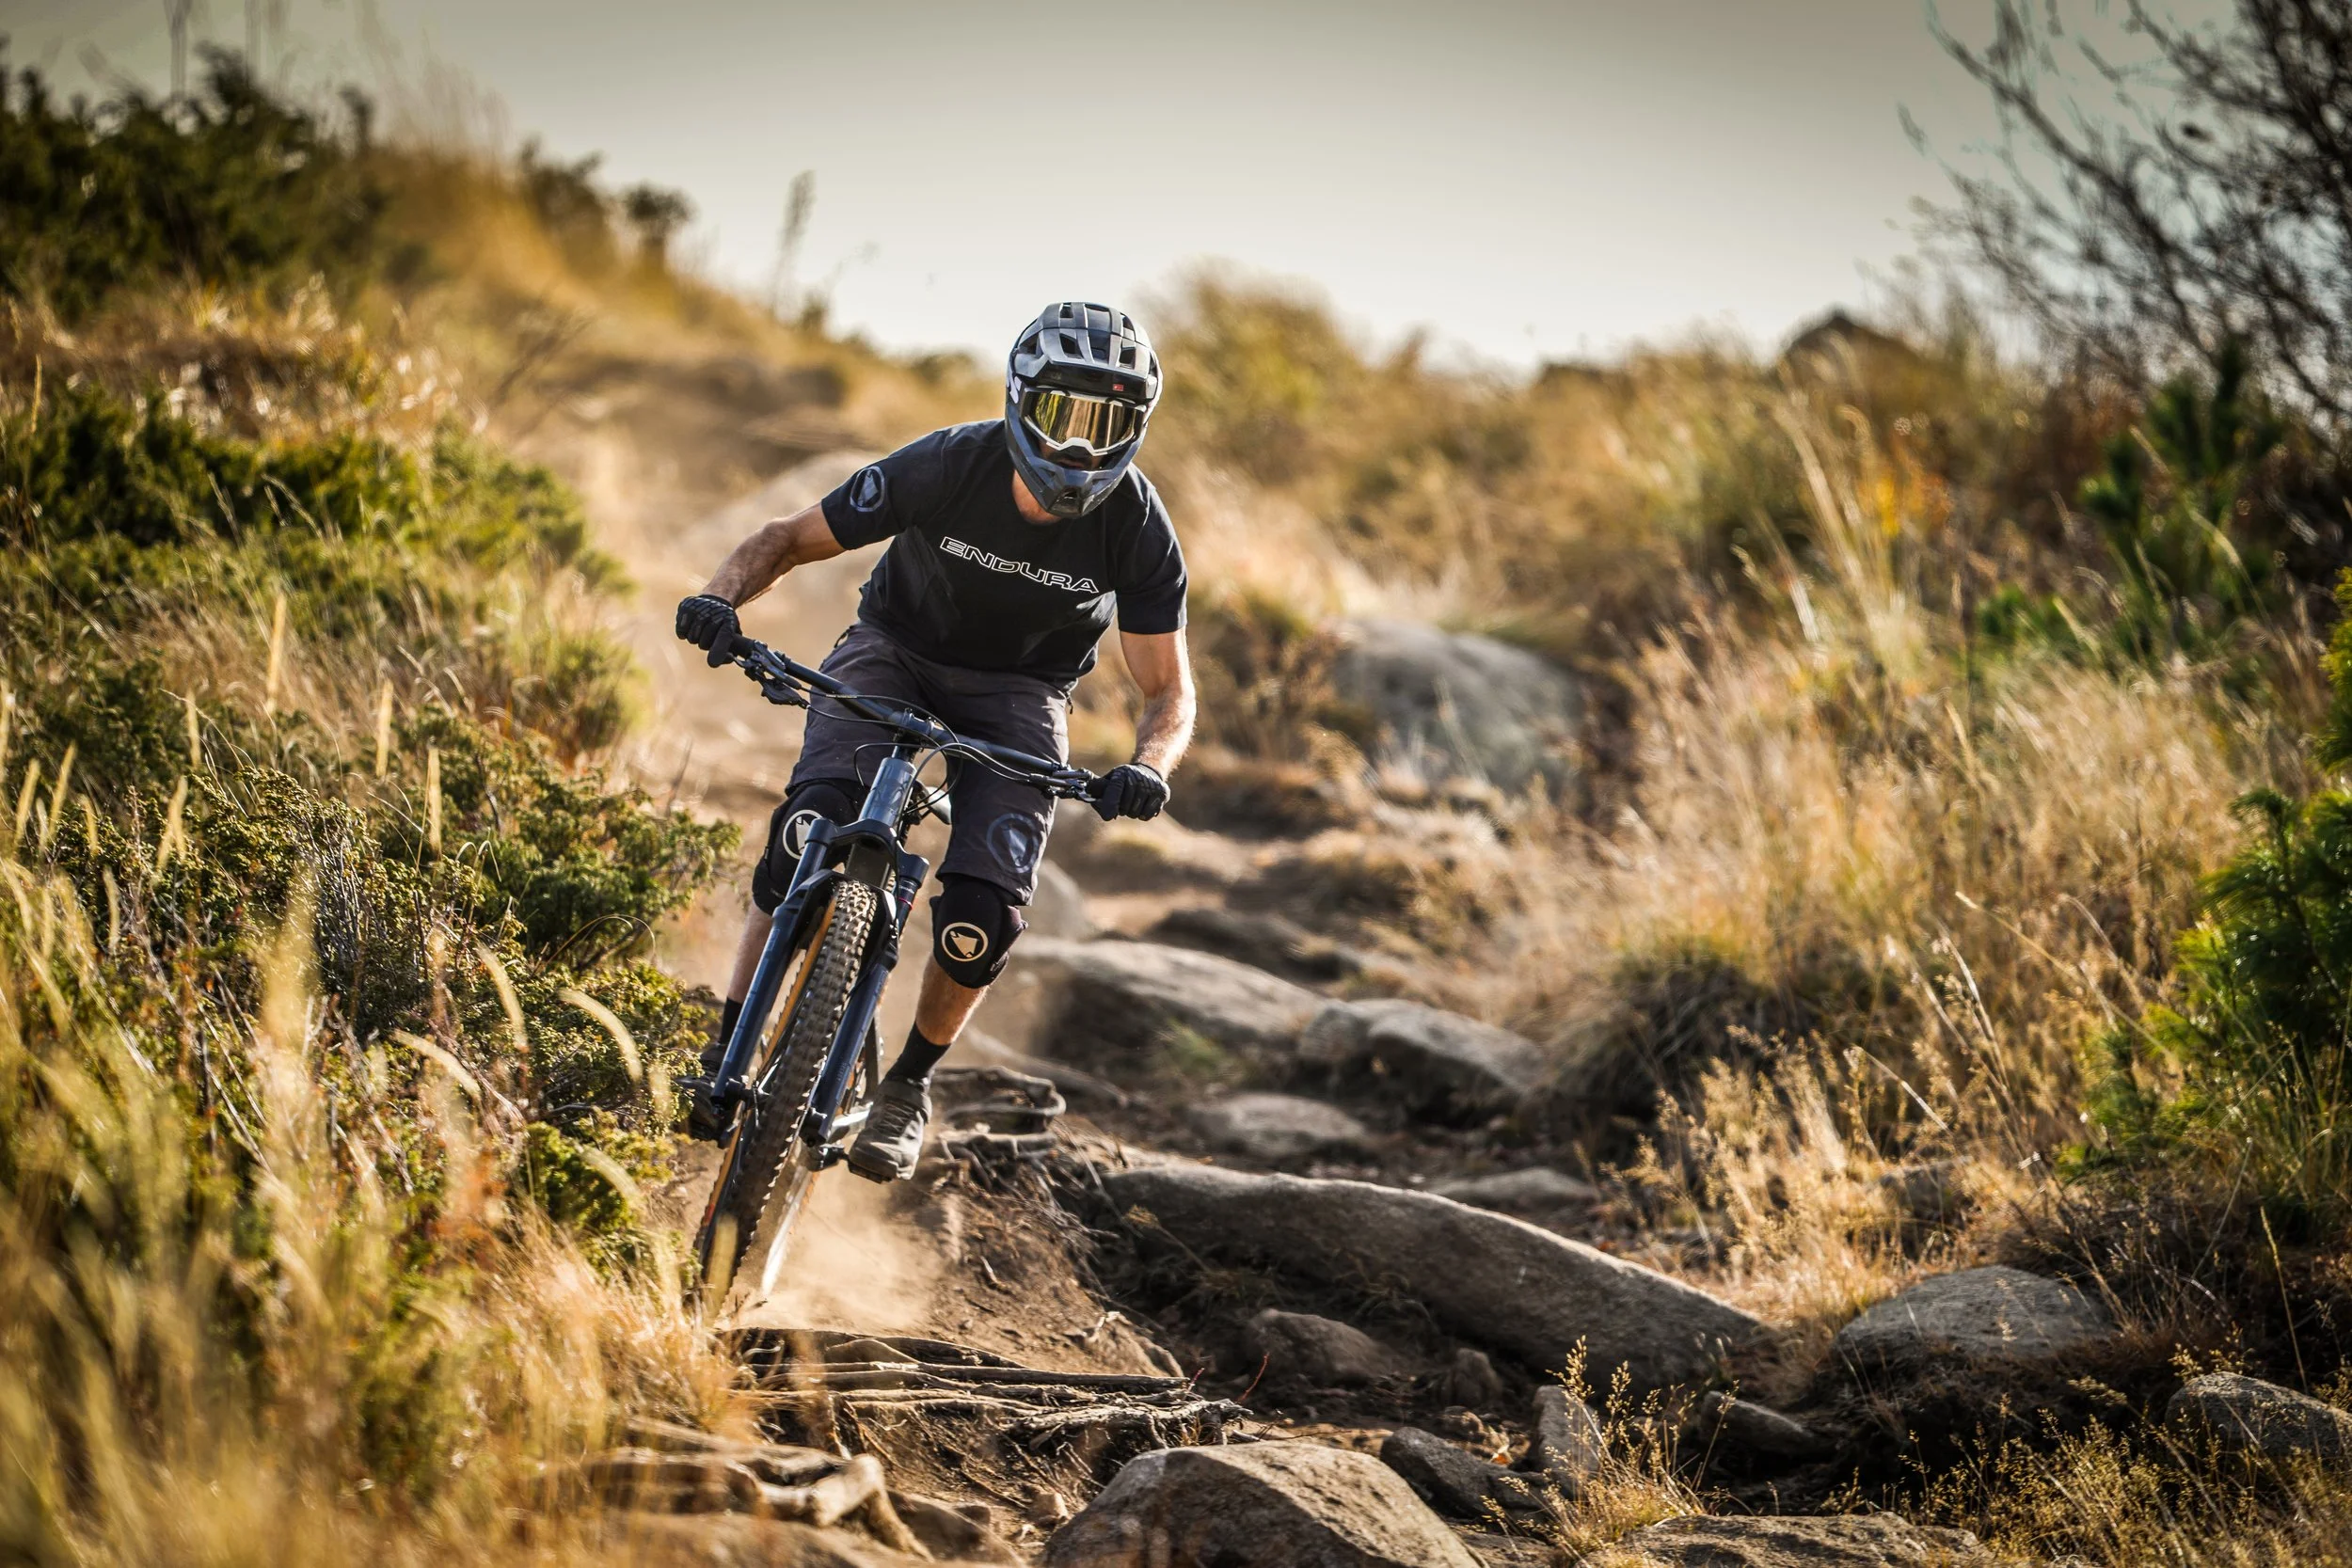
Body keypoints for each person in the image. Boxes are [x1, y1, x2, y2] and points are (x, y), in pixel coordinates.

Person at [674, 302, 1195, 1180]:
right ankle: (729, 1045)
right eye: (1063, 416)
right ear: (1021, 402)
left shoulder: (1137, 528)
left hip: (1021, 696)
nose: (1079, 448)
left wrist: (1149, 767)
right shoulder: (951, 462)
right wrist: (722, 597)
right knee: (810, 828)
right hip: (892, 653)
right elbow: (787, 539)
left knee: (982, 917)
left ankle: (907, 1085)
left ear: (1137, 430)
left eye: (1107, 425)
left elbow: (1170, 690)